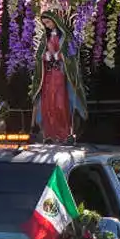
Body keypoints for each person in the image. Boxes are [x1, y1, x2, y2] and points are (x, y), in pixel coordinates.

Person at [31, 10, 87, 142]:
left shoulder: (66, 37)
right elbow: (39, 56)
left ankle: (65, 132)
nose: (48, 26)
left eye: (49, 22)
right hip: (48, 76)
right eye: (45, 24)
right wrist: (45, 56)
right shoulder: (45, 38)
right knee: (48, 104)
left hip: (61, 75)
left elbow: (73, 56)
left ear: (55, 21)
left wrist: (60, 56)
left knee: (60, 104)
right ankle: (49, 134)